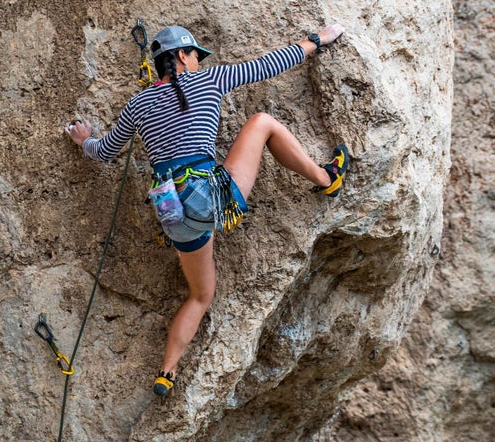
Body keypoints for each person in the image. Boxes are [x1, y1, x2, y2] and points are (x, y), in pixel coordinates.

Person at [64, 23, 349, 396]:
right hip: (204, 197)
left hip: (172, 215)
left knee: (201, 295)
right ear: (183, 55)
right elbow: (269, 64)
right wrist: (317, 41)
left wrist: (85, 140)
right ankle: (328, 179)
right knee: (262, 123)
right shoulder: (210, 80)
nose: (199, 62)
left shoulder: (138, 104)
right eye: (196, 55)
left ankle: (166, 372)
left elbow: (103, 152)